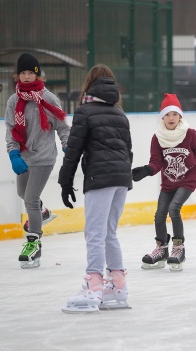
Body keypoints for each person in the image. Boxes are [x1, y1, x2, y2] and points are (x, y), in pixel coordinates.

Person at [58, 64, 133, 313]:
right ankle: (118, 285)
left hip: (100, 178)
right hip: (121, 178)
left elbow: (74, 150)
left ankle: (94, 285)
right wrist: (123, 177)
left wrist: (65, 181)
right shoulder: (120, 114)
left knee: (95, 233)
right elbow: (128, 151)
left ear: (89, 85)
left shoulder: (84, 112)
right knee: (109, 232)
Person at [132, 93, 196, 272]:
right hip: (169, 181)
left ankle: (178, 247)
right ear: (162, 117)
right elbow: (157, 162)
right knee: (159, 214)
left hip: (188, 178)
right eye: (167, 114)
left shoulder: (189, 134)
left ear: (180, 116)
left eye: (174, 114)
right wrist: (147, 170)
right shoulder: (157, 137)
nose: (171, 118)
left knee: (174, 208)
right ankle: (161, 249)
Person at [4, 53, 69, 269]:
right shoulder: (14, 100)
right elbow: (12, 131)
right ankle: (43, 213)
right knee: (22, 194)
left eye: (30, 72)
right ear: (17, 76)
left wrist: (68, 146)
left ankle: (34, 244)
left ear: (37, 74)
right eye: (22, 73)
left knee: (30, 198)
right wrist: (13, 154)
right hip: (24, 156)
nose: (26, 76)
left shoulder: (48, 98)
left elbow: (61, 126)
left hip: (44, 157)